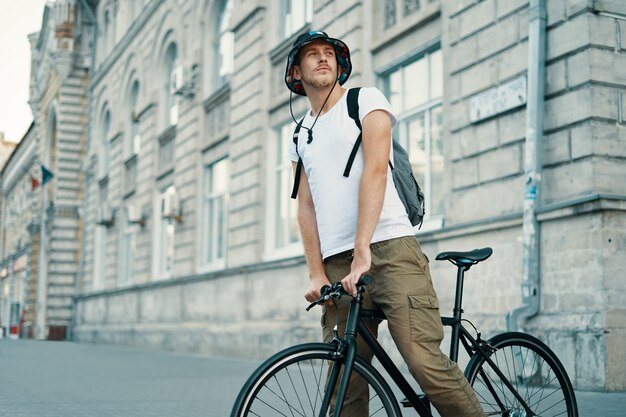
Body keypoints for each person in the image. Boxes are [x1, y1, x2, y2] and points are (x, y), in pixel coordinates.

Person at [285, 31, 486, 417]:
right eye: (313, 55)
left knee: (423, 361)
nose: (323, 58)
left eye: (330, 53)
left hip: (391, 249)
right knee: (344, 379)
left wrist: (364, 250)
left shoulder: (365, 100)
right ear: (297, 71)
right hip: (338, 264)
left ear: (340, 65)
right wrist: (315, 272)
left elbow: (376, 171)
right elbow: (305, 206)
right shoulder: (299, 133)